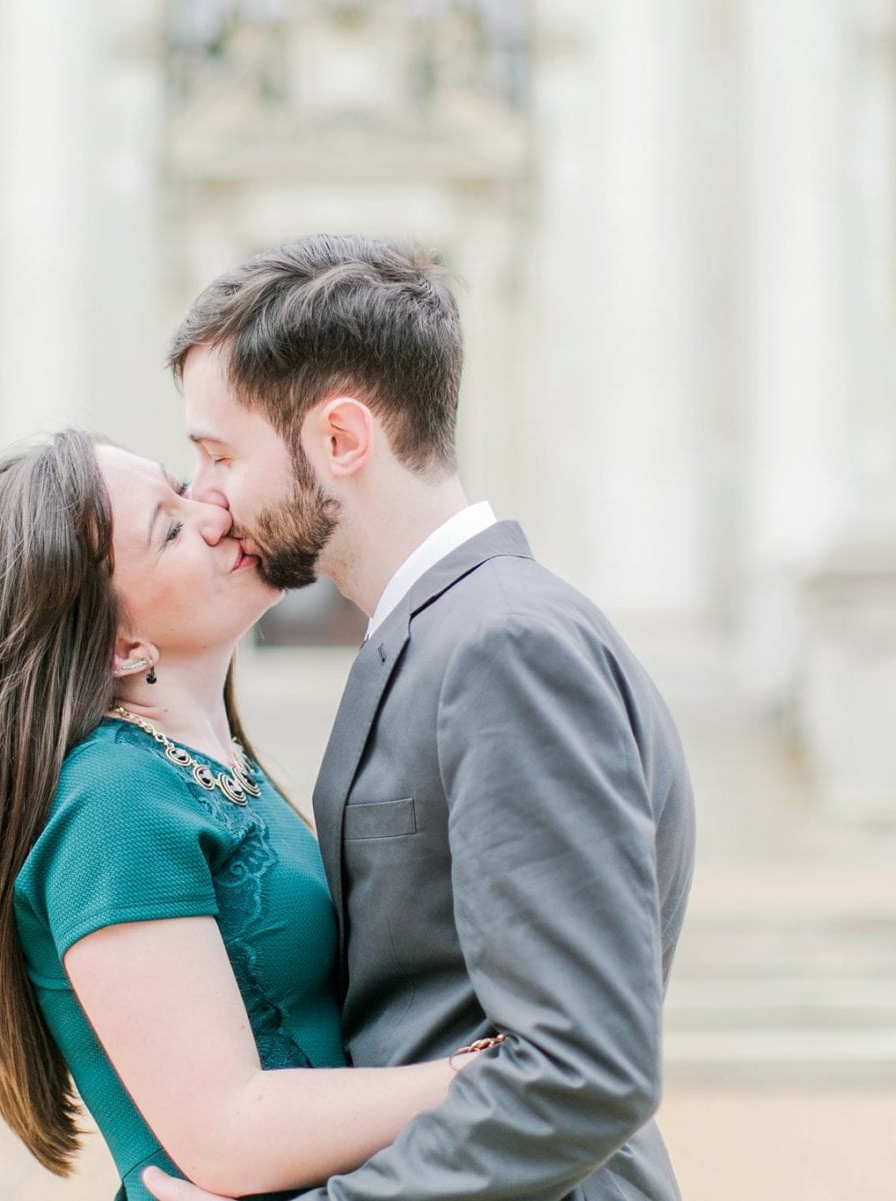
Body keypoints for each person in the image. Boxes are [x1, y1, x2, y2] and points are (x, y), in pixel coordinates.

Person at [143, 234, 697, 1201]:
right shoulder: (439, 634)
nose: (205, 499)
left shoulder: (503, 647)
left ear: (342, 440)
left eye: (220, 453)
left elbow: (583, 1069)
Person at [0, 429, 492, 1201]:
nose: (215, 510)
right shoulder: (113, 798)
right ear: (124, 645)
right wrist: (490, 1075)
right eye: (171, 526)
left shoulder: (214, 768)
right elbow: (228, 1130)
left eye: (181, 490)